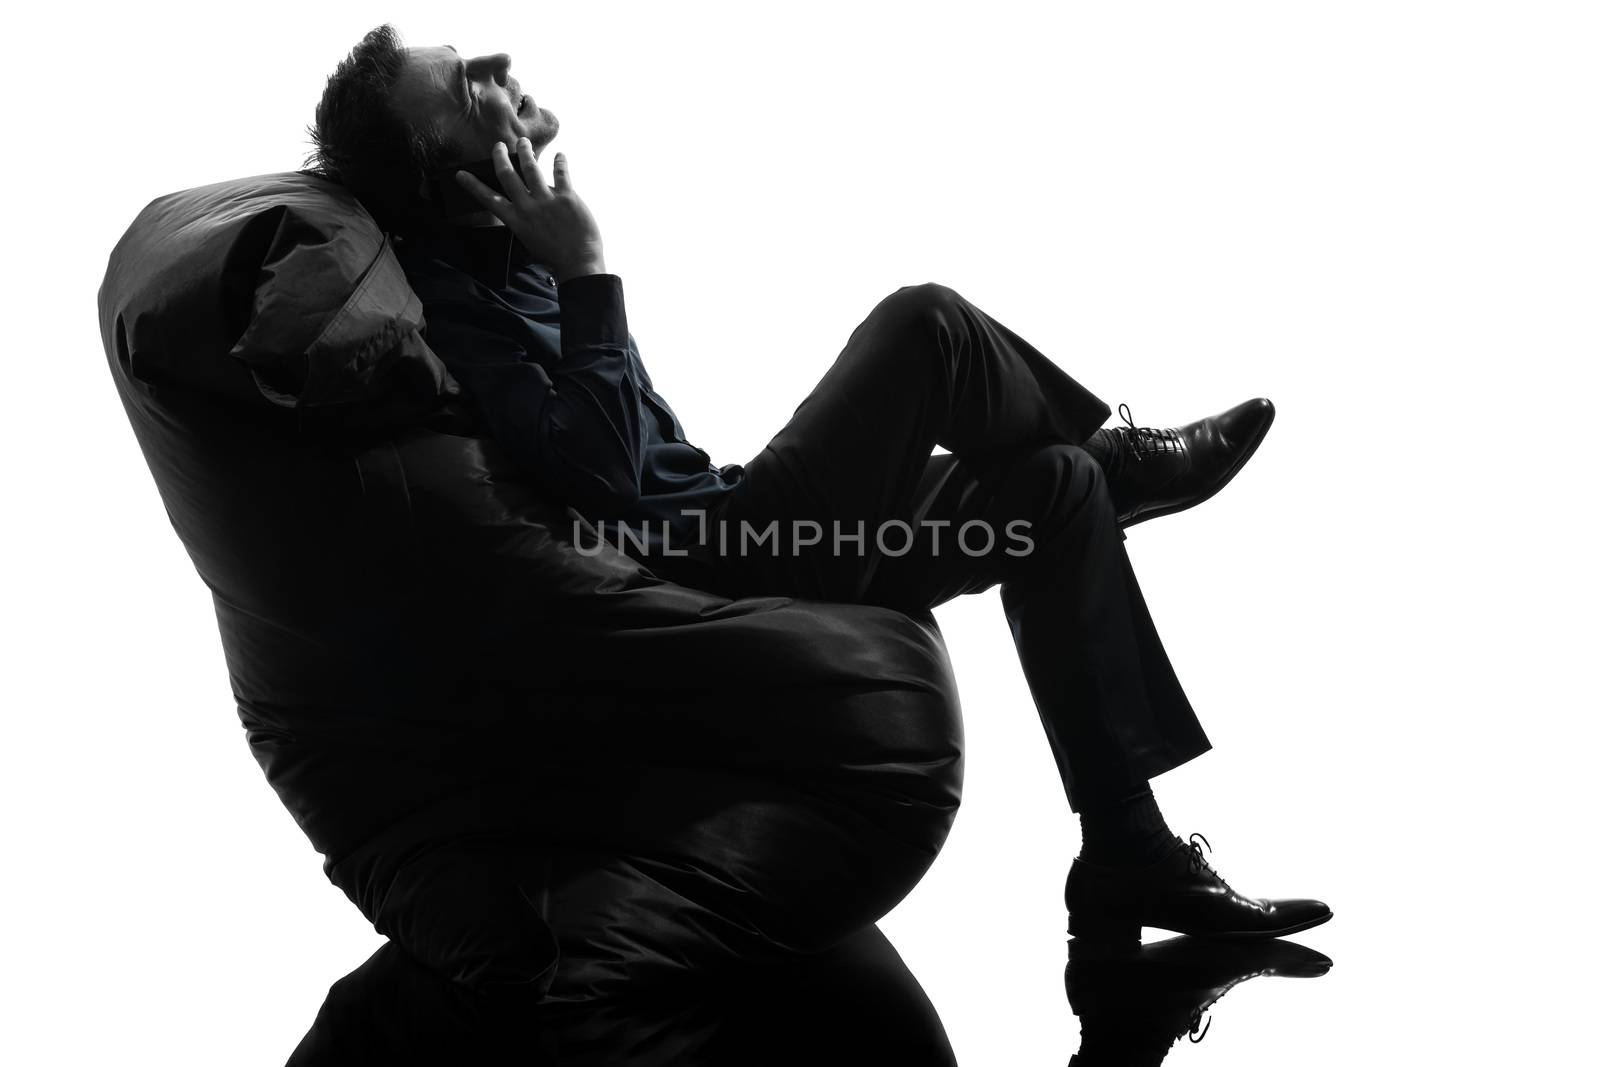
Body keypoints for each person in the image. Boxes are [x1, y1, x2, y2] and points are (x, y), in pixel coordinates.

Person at [305, 24, 1331, 949]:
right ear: (444, 174)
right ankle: (1126, 462)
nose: (496, 64)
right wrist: (587, 271)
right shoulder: (452, 302)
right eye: (463, 87)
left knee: (1054, 488)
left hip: (729, 517)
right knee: (924, 326)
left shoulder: (506, 255)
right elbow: (608, 480)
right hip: (708, 563)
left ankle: (1126, 849)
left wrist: (562, 269)